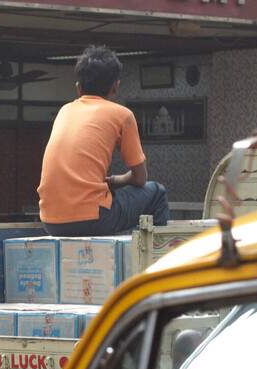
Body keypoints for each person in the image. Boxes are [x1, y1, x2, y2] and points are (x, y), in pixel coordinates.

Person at [37, 45, 170, 236]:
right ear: (115, 86)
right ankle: (156, 260)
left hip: (50, 221)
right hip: (92, 219)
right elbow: (140, 179)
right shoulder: (122, 115)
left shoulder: (64, 111)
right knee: (157, 192)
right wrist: (117, 180)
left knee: (113, 201)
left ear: (78, 88)